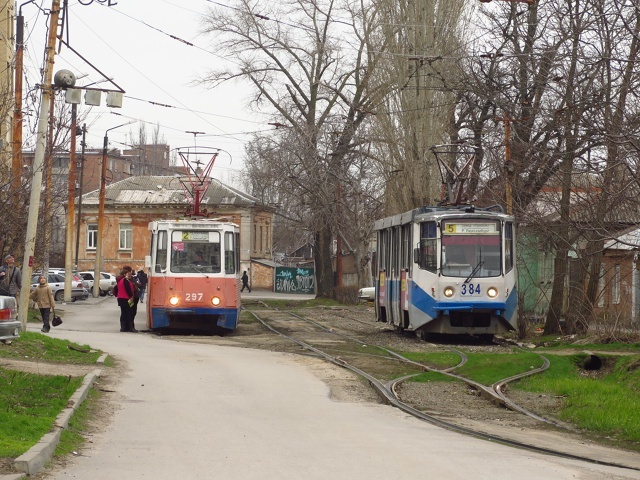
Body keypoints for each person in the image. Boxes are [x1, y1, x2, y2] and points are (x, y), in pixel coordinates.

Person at [115, 266, 138, 333]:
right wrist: (131, 296)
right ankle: (131, 327)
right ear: (125, 274)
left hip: (121, 298)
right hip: (126, 299)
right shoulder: (125, 280)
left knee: (124, 313)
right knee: (130, 313)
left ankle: (123, 327)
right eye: (129, 272)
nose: (130, 274)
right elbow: (128, 289)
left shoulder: (120, 280)